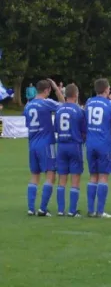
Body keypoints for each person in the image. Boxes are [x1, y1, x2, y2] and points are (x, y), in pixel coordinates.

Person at [23, 79, 65, 216]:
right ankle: (42, 208)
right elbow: (64, 105)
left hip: (32, 144)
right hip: (46, 143)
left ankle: (30, 208)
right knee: (51, 174)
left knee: (34, 175)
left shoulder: (28, 106)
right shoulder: (47, 103)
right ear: (47, 90)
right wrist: (57, 89)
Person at [85, 78, 111, 218]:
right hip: (104, 143)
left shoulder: (88, 103)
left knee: (93, 176)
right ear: (106, 89)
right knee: (104, 176)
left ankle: (91, 210)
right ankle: (100, 211)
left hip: (90, 143)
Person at [54, 84, 86, 217]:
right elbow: (84, 131)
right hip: (74, 145)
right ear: (76, 94)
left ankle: (61, 210)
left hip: (61, 145)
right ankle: (72, 210)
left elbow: (56, 128)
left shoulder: (59, 110)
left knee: (62, 178)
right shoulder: (79, 111)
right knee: (75, 178)